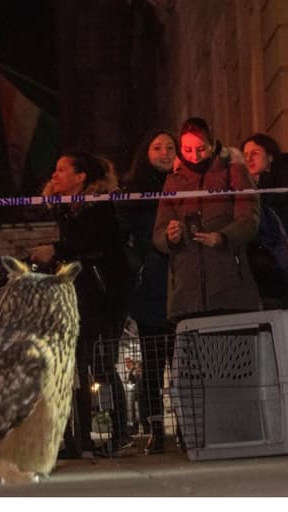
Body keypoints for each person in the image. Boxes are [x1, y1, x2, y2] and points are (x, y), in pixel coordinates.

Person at [29, 152, 136, 457]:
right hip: (77, 295)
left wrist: (56, 249)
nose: (55, 175)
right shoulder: (63, 209)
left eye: (62, 170)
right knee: (75, 365)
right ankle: (80, 439)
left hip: (104, 294)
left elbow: (97, 245)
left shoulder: (99, 206)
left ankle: (119, 432)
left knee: (102, 363)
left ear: (81, 177)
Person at [152, 117, 261, 322]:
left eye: (201, 149)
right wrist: (169, 236)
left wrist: (223, 237)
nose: (194, 156)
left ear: (212, 145)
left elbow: (249, 220)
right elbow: (158, 233)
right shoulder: (173, 182)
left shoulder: (234, 172)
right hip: (186, 294)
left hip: (230, 289)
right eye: (187, 150)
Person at [119, 129, 177, 453]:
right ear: (146, 153)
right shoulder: (133, 191)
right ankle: (155, 427)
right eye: (158, 147)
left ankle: (186, 425)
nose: (165, 153)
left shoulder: (184, 184)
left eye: (170, 147)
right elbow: (125, 236)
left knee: (180, 361)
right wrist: (138, 268)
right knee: (153, 361)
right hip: (149, 284)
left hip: (180, 283)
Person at [241, 133, 288, 309]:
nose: (249, 159)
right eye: (245, 155)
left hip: (283, 266)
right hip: (257, 269)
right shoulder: (244, 187)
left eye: (255, 153)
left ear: (270, 156)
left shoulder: (287, 182)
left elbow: (286, 221)